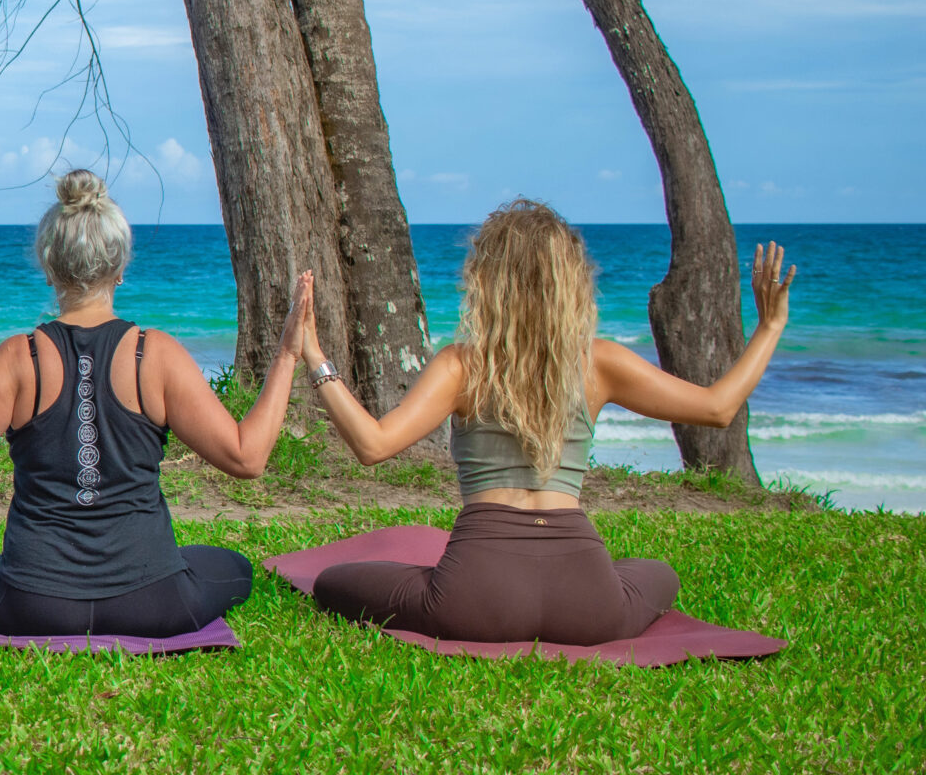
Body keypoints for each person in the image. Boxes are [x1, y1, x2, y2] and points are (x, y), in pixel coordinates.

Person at [294, 200, 794, 644]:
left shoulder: (462, 365)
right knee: (656, 572)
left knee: (334, 581)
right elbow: (718, 407)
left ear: (487, 283)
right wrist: (770, 326)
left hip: (473, 599)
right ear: (572, 283)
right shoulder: (600, 363)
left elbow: (372, 444)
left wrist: (315, 355)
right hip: (591, 604)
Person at [0, 169, 312, 639]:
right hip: (156, 603)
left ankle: (33, 573)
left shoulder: (20, 356)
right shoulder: (155, 354)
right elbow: (247, 456)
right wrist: (287, 354)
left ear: (49, 266)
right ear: (120, 268)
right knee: (234, 567)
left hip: (33, 605)